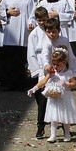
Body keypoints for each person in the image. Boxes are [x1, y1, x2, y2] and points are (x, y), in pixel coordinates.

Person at [28, 46, 76, 143]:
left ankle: (67, 134)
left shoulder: (69, 73)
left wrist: (66, 84)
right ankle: (53, 135)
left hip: (65, 97)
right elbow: (43, 82)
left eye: (58, 65)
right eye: (54, 64)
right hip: (54, 98)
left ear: (64, 63)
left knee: (65, 116)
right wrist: (34, 89)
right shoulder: (52, 73)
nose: (55, 67)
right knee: (53, 117)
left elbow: (74, 84)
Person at [0, 0, 36, 91]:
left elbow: (32, 14)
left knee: (20, 60)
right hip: (10, 32)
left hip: (22, 32)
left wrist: (30, 23)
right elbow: (0, 10)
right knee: (9, 60)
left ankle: (21, 83)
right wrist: (8, 13)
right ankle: (10, 84)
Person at [26, 7, 50, 139]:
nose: (41, 22)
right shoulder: (33, 34)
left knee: (56, 99)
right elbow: (31, 54)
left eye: (44, 19)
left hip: (52, 68)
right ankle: (41, 126)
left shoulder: (52, 31)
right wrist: (37, 71)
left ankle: (60, 124)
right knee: (41, 100)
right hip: (40, 69)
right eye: (39, 20)